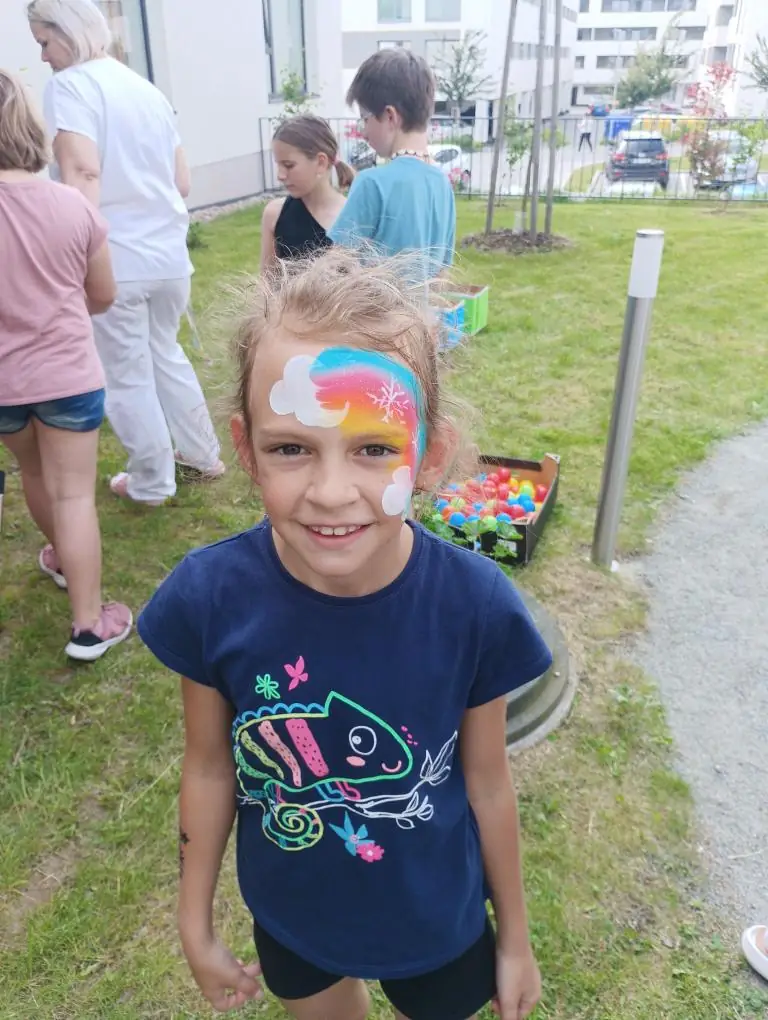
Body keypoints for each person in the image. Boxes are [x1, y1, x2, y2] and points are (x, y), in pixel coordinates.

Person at [137, 248, 553, 1020]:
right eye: (291, 448)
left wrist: (516, 938)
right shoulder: (210, 599)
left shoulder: (476, 608)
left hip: (438, 919)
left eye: (374, 449)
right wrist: (194, 923)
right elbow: (209, 767)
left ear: (429, 456)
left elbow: (488, 781)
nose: (331, 492)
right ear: (245, 449)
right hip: (295, 919)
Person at [27, 0, 223, 506]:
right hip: (168, 256)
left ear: (68, 32)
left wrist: (71, 252)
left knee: (127, 375)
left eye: (44, 42)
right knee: (166, 354)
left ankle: (152, 483)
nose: (43, 56)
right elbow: (181, 180)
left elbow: (82, 173)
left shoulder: (70, 86)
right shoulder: (145, 88)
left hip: (118, 257)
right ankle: (203, 454)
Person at [0, 69, 131, 661]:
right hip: (67, 377)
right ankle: (88, 624)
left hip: (5, 387)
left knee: (34, 474)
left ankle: (61, 558)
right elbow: (102, 294)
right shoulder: (70, 206)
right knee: (74, 494)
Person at [328, 49, 455, 278]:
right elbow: (441, 274)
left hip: (370, 303)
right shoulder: (442, 184)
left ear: (389, 116)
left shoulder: (371, 183)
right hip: (423, 304)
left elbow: (335, 268)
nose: (363, 131)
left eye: (364, 118)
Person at [261, 115, 355, 274]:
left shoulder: (350, 218)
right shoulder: (275, 215)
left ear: (321, 162)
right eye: (278, 165)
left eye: (288, 165)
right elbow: (266, 281)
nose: (280, 175)